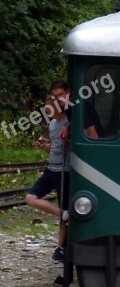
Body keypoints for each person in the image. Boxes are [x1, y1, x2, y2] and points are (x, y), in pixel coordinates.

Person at [25, 82, 72, 262]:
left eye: (48, 107)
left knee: (65, 211)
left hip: (65, 171)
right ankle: (63, 214)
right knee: (31, 198)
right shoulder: (52, 124)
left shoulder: (68, 122)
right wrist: (45, 146)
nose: (46, 111)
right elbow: (56, 147)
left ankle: (60, 247)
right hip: (51, 169)